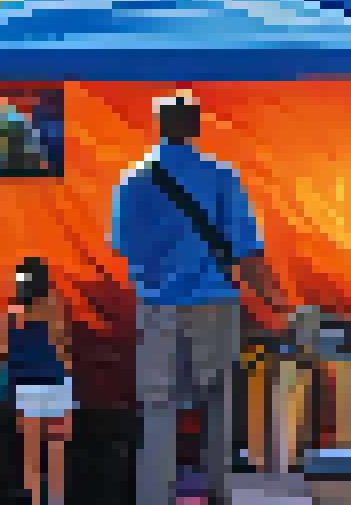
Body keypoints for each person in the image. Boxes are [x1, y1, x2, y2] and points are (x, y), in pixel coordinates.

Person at [111, 92, 291, 505]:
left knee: (158, 407)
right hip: (214, 302)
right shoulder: (221, 176)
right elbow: (248, 252)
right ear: (195, 127)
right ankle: (219, 494)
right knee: (218, 401)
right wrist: (277, 304)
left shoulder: (132, 180)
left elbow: (123, 247)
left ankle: (155, 498)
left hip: (157, 305)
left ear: (158, 126)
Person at [0, 256, 76, 505]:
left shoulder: (12, 312)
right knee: (56, 449)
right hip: (55, 382)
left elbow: (0, 351)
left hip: (26, 385)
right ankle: (56, 501)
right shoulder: (55, 307)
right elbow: (64, 347)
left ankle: (35, 500)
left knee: (31, 452)